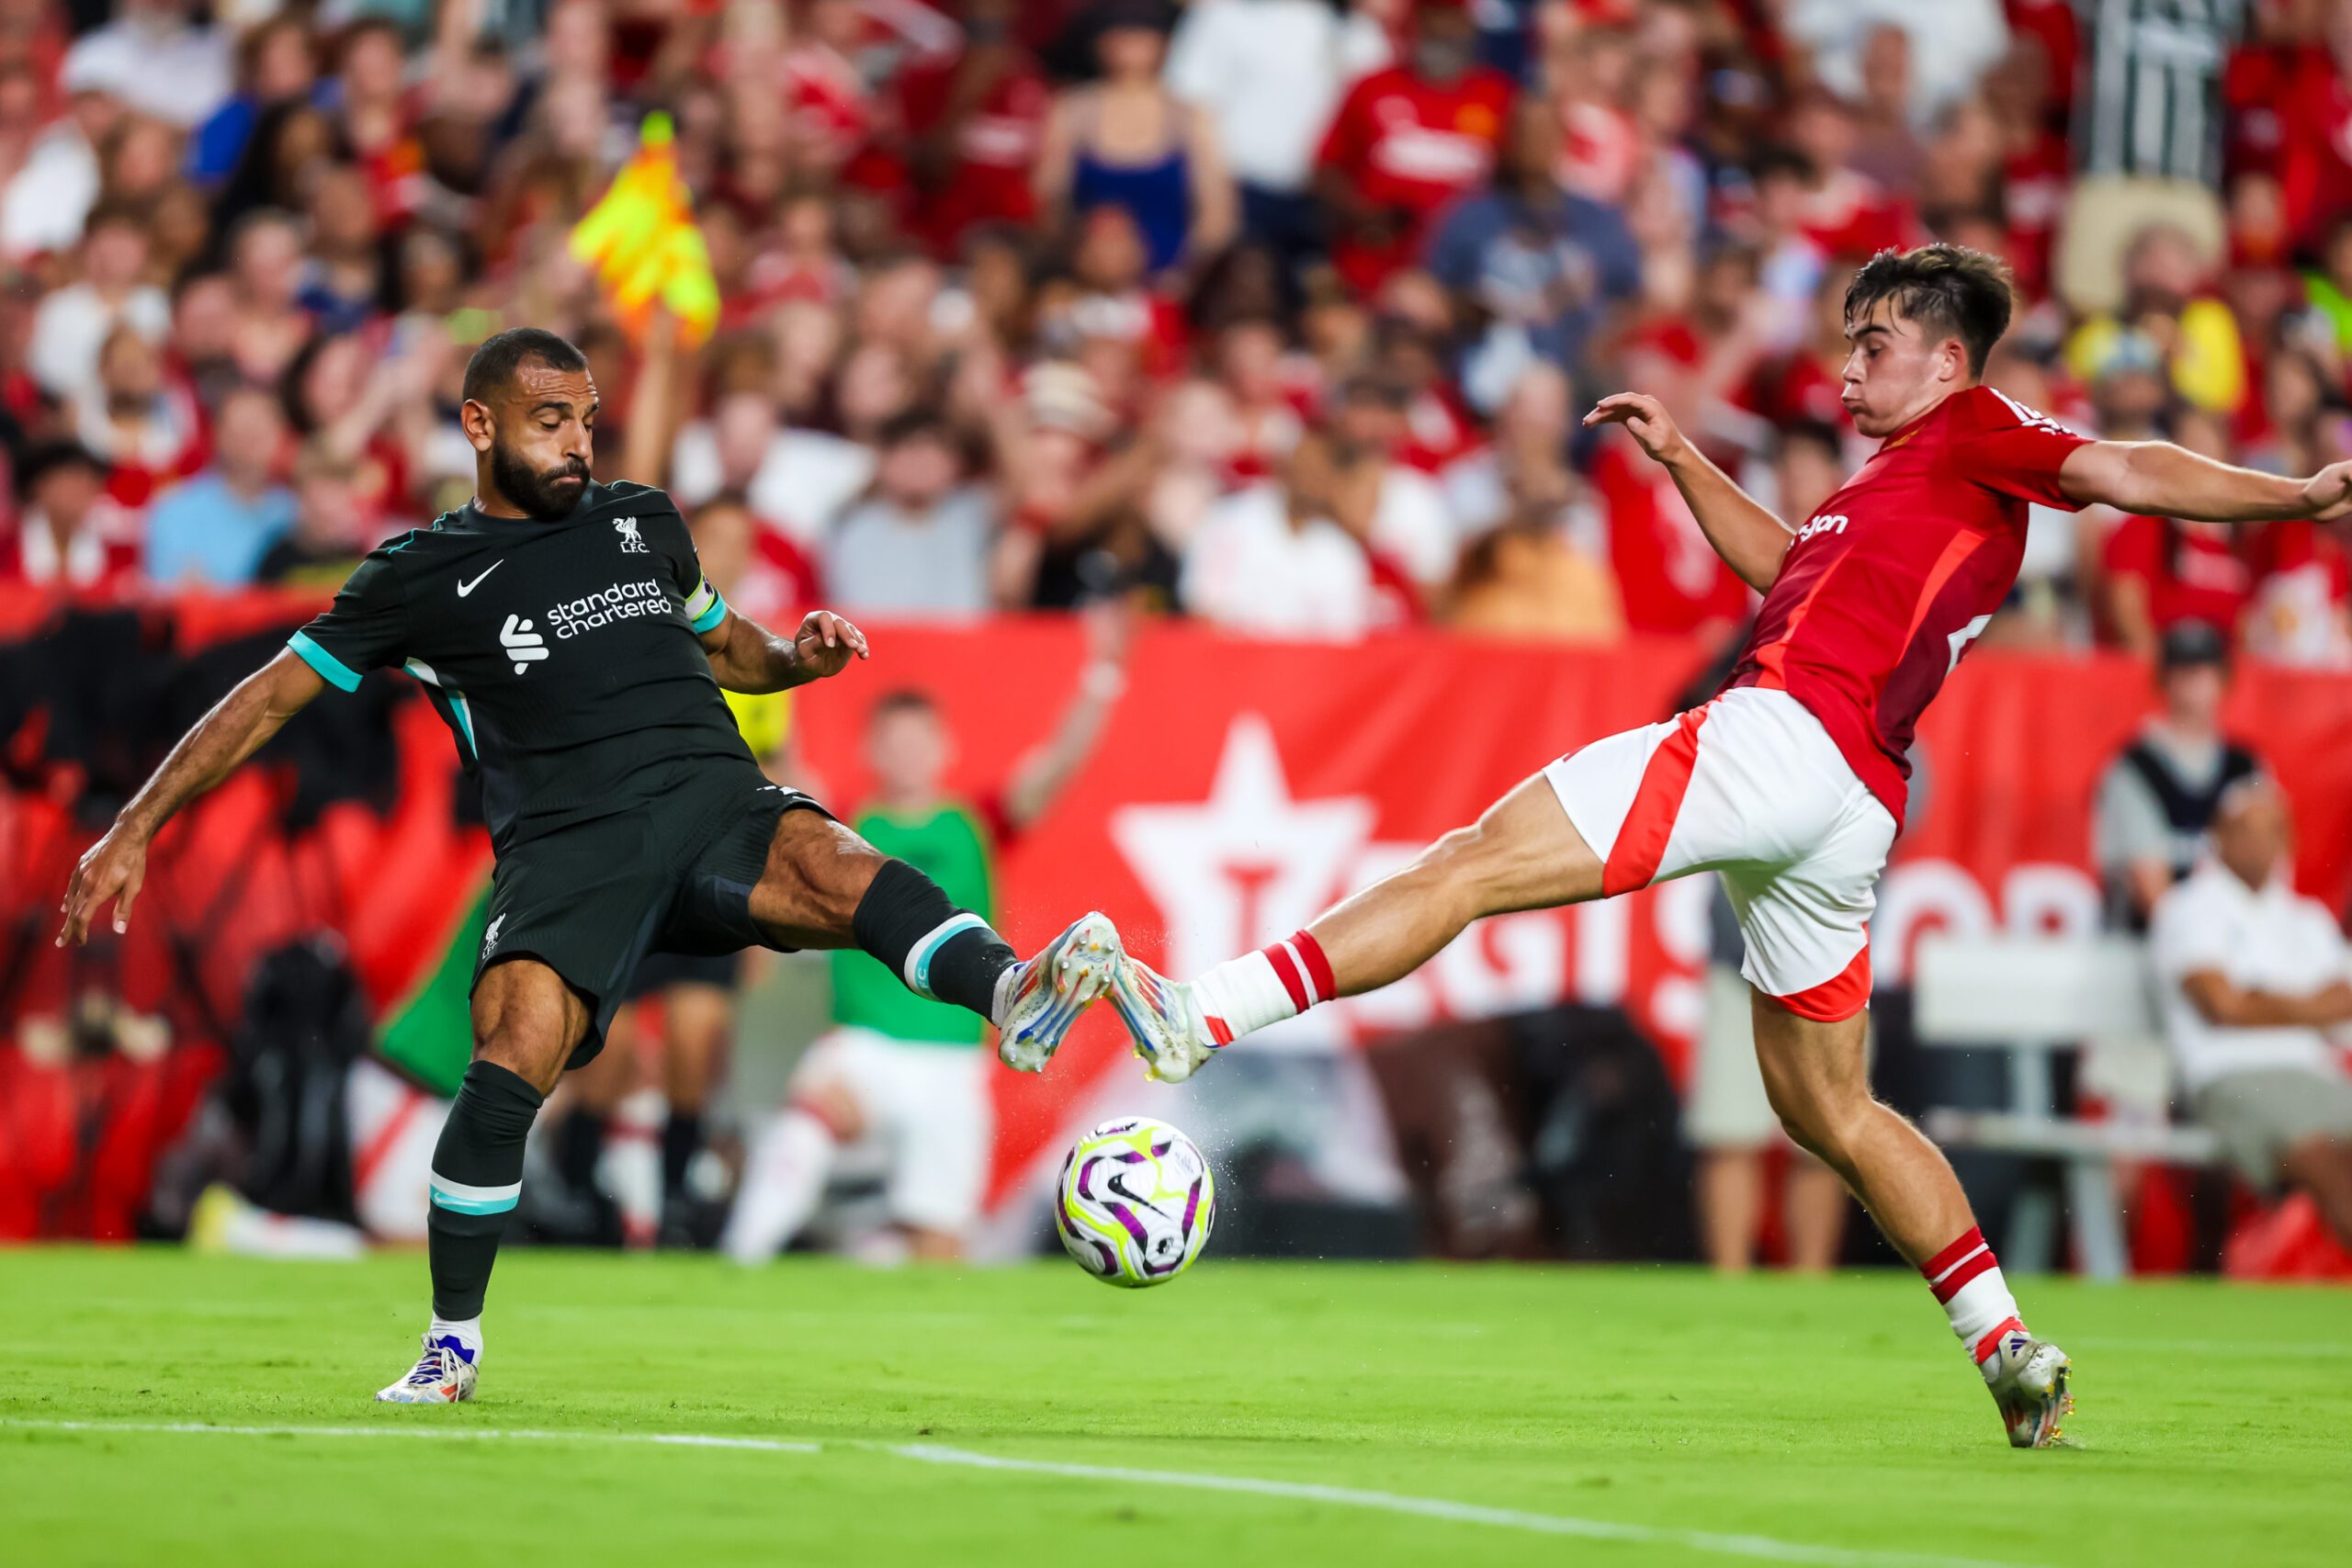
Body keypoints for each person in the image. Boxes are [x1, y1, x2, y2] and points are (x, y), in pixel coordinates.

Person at [1085, 243, 2352, 1448]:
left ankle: (1199, 1012)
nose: (1847, 370)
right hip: (1848, 800)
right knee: (1834, 1110)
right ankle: (2006, 1341)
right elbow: (1783, 565)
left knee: (1465, 863)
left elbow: (2124, 469)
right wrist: (1684, 456)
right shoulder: (1888, 488)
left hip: (1785, 736)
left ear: (1952, 364)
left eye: (1876, 345)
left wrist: (2292, 495)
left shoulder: (1981, 433)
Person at [57, 328, 1126, 1406]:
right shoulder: (417, 576)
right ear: (479, 425)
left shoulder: (642, 520)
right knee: (511, 1050)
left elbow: (724, 644)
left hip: (712, 802)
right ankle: (450, 1347)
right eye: (548, 419)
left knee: (838, 857)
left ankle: (1010, 989)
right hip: (568, 852)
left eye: (585, 418)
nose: (577, 441)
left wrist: (791, 660)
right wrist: (137, 823)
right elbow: (269, 698)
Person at [723, 603, 1132, 1266]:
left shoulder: (976, 823)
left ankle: (860, 1255)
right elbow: (779, 771)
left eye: (919, 739)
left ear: (945, 747)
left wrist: (1104, 676)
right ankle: (740, 1260)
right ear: (871, 748)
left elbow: (1058, 765)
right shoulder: (841, 826)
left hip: (950, 1061)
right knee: (811, 1114)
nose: (908, 752)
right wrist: (779, 663)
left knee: (935, 1252)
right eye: (894, 739)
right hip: (867, 1043)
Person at [2148, 778, 2352, 1251]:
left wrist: (2257, 998)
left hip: (2312, 1074)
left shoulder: (2308, 917)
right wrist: (2310, 1006)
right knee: (2323, 1162)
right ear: (2218, 836)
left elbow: (2338, 1002)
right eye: (2245, 829)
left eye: (2272, 830)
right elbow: (2221, 1006)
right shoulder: (2190, 906)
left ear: (2289, 839)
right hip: (2231, 1075)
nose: (2260, 844)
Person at [2093, 620, 2264, 931]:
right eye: (2183, 670)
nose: (2194, 682)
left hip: (2233, 943)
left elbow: (2266, 870)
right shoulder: (2134, 768)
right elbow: (2152, 894)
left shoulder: (2247, 767)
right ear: (2164, 679)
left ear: (2224, 677)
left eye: (2204, 669)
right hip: (2151, 947)